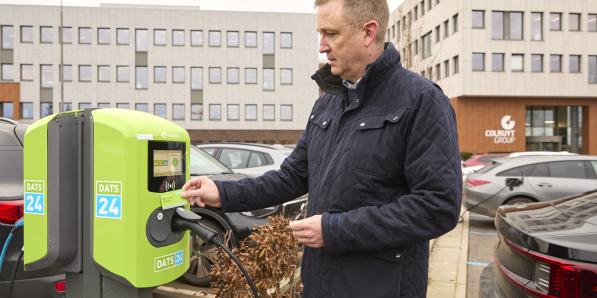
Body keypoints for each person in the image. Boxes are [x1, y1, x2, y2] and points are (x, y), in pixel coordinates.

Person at [181, 0, 462, 296]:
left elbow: (438, 206)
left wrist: (334, 230)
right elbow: (289, 177)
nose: (322, 46)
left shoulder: (421, 101)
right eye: (320, 34)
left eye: (331, 34)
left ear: (368, 33)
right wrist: (222, 192)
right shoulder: (327, 104)